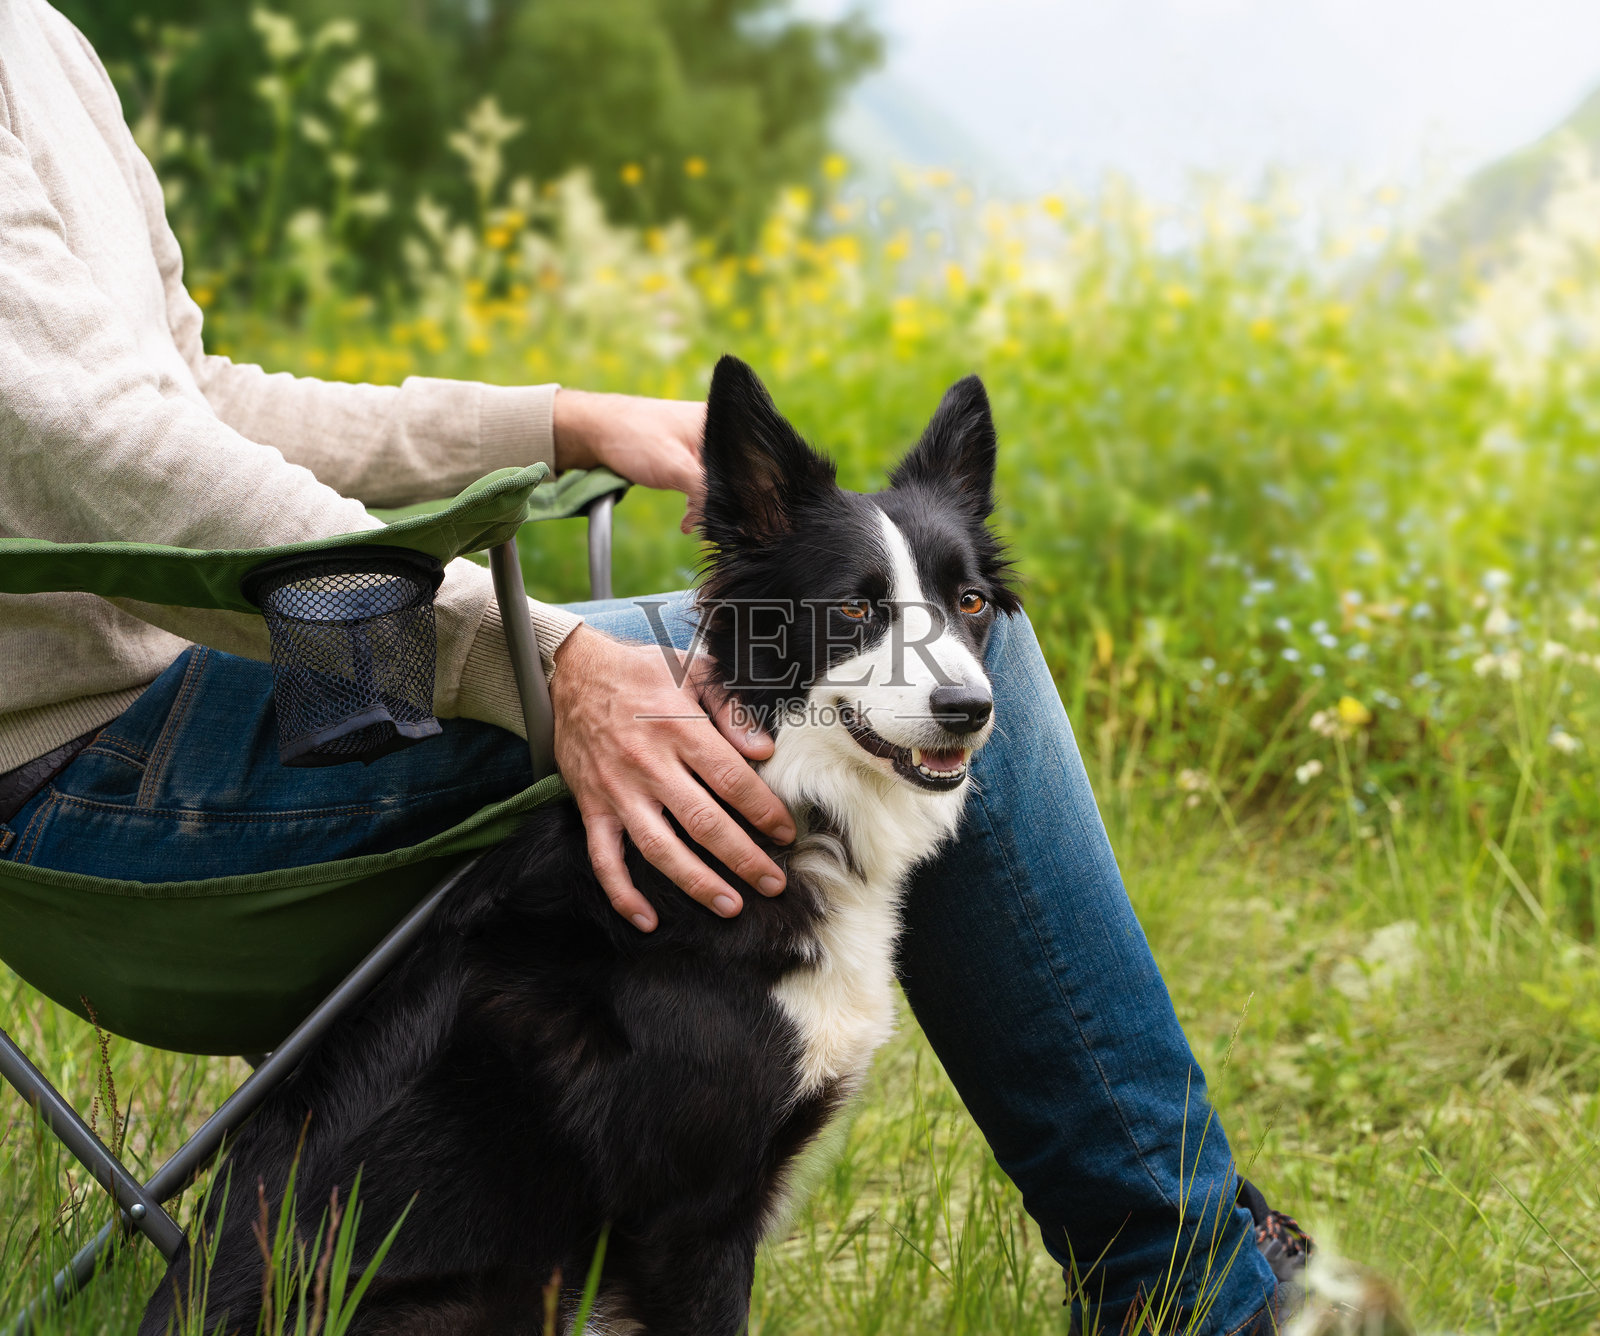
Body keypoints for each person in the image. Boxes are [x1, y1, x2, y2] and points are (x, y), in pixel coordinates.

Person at [0, 1, 1309, 1330]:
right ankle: (1194, 1288)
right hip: (82, 775)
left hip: (204, 688)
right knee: (956, 671)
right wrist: (535, 662)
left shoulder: (37, 37)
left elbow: (187, 400)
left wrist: (559, 421)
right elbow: (105, 445)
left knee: (938, 641)